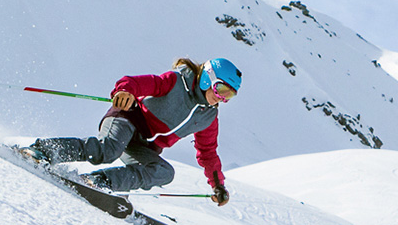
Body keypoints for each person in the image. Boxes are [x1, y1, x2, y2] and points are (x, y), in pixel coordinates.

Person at [21, 57, 241, 206]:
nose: (222, 98)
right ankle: (42, 150)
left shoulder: (209, 117)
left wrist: (218, 185)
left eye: (229, 95)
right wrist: (124, 91)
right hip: (129, 117)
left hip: (144, 145)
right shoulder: (176, 81)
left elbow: (208, 153)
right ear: (207, 78)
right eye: (220, 89)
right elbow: (135, 82)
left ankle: (100, 182)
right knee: (108, 151)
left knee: (164, 172)